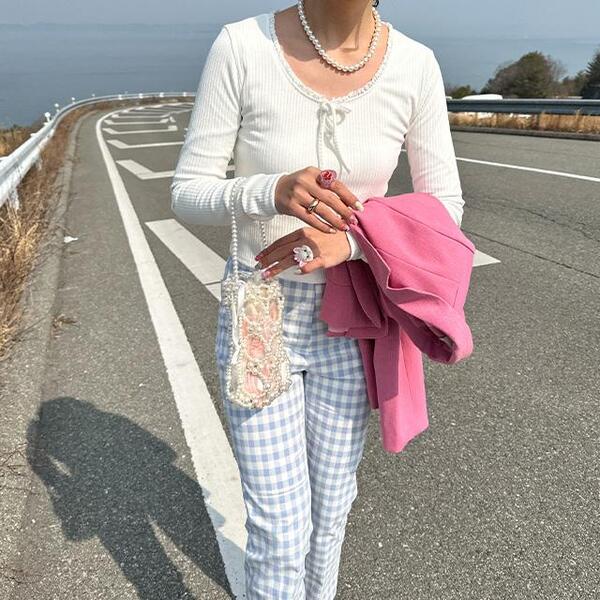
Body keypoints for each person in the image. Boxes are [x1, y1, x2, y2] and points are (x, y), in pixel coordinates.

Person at [170, 1, 465, 597]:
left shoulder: (415, 64)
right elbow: (187, 192)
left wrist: (351, 241)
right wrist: (270, 190)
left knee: (330, 515)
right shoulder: (242, 46)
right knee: (280, 531)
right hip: (262, 313)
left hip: (353, 317)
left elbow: (446, 208)